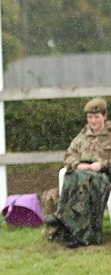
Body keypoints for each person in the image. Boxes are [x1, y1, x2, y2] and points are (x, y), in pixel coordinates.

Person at [45, 97, 111, 248]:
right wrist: (77, 164)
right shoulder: (83, 135)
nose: (93, 121)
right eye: (89, 117)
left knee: (79, 178)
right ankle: (75, 233)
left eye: (96, 117)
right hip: (83, 174)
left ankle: (63, 217)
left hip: (104, 175)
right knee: (71, 174)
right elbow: (69, 154)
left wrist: (102, 164)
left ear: (104, 116)